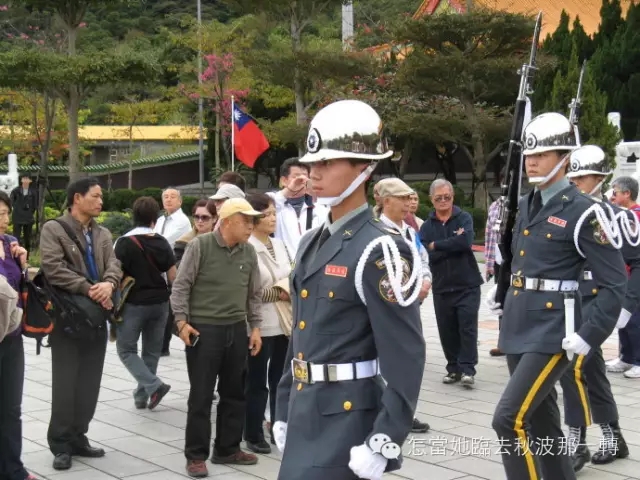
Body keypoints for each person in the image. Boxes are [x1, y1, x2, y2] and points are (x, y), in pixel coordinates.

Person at [273, 99, 425, 480]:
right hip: (307, 408)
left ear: (364, 168)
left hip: (347, 416)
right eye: (311, 164)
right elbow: (303, 331)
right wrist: (283, 404)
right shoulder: (310, 241)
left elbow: (405, 353)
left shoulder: (381, 248)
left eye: (328, 163)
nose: (314, 174)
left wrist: (386, 438)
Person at [485, 112, 627, 480]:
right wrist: (501, 291)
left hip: (552, 330)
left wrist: (590, 334)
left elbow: (614, 284)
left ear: (564, 158)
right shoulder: (525, 203)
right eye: (529, 155)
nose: (532, 161)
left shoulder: (585, 211)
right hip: (517, 323)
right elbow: (518, 258)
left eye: (543, 155)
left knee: (508, 420)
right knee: (544, 425)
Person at [170, 197, 264, 477]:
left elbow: (254, 293)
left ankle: (227, 448)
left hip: (236, 329)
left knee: (234, 392)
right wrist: (181, 322)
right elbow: (181, 286)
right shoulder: (201, 246)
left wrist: (255, 326)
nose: (251, 226)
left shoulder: (248, 252)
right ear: (229, 220)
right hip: (204, 329)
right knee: (200, 395)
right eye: (246, 220)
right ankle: (196, 455)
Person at [559, 146, 639, 470]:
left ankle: (577, 443)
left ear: (601, 177)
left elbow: (636, 263)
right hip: (570, 303)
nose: (577, 182)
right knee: (587, 372)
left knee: (574, 369)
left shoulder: (617, 217)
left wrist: (628, 305)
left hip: (600, 302)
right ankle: (613, 435)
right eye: (573, 175)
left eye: (584, 176)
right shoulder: (566, 213)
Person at [40, 177, 122, 471]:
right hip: (68, 317)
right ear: (77, 198)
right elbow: (52, 268)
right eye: (96, 196)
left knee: (89, 382)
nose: (101, 202)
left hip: (97, 316)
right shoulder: (54, 229)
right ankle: (60, 443)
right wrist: (89, 288)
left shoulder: (102, 233)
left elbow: (114, 263)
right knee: (65, 383)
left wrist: (109, 285)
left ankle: (78, 436)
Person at [114, 196, 177, 410]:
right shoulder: (162, 242)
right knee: (151, 352)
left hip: (134, 304)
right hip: (160, 303)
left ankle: (153, 385)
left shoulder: (123, 243)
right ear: (155, 218)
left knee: (126, 350)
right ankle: (142, 396)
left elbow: (115, 274)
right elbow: (173, 277)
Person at [420, 179, 483, 387]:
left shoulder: (463, 218)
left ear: (452, 197)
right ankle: (453, 368)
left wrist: (436, 245)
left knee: (467, 327)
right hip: (442, 286)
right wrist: (447, 248)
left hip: (467, 284)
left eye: (447, 197)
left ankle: (467, 369)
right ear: (432, 200)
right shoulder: (427, 226)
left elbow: (465, 243)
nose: (443, 201)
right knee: (447, 329)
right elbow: (425, 253)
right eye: (439, 198)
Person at [244, 193, 292, 454]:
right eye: (267, 214)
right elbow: (249, 291)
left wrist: (285, 291)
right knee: (256, 381)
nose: (272, 218)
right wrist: (281, 293)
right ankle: (252, 432)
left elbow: (294, 275)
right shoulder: (247, 247)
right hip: (259, 325)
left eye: (274, 213)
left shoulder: (281, 245)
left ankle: (279, 427)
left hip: (285, 322)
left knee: (281, 380)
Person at [0, 191, 36, 480]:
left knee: (11, 406)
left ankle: (14, 468)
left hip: (11, 335)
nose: (3, 218)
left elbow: (24, 289)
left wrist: (24, 264)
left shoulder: (11, 243)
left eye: (5, 213)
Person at [606, 176, 640, 376]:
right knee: (623, 319)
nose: (612, 196)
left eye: (616, 192)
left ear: (627, 194)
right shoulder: (621, 215)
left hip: (635, 275)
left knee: (635, 318)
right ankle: (626, 357)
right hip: (622, 275)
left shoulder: (635, 216)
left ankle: (638, 360)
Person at [154, 187, 192, 357]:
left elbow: (164, 242)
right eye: (165, 197)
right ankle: (163, 344)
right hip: (160, 267)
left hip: (175, 266)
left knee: (173, 306)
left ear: (180, 201)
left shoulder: (182, 221)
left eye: (172, 197)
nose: (168, 200)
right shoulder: (161, 219)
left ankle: (167, 343)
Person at [267, 157, 328, 259]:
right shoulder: (274, 202)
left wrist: (315, 193)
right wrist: (290, 189)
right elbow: (264, 208)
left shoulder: (319, 209)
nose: (301, 181)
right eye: (296, 177)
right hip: (284, 267)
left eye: (305, 177)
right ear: (283, 180)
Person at [484, 198, 505, 357]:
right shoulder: (495, 206)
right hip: (500, 261)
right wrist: (489, 262)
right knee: (500, 300)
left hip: (516, 260)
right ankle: (503, 342)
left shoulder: (524, 203)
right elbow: (489, 235)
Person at [174, 199, 218, 266]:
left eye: (205, 217)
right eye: (196, 217)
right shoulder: (183, 241)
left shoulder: (221, 240)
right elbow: (177, 267)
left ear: (214, 219)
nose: (200, 221)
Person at [10, 174, 37, 252]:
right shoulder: (15, 191)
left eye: (27, 178)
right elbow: (12, 202)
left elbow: (35, 205)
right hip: (17, 216)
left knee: (27, 238)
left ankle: (27, 256)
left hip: (28, 217)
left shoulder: (33, 192)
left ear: (30, 181)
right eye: (23, 178)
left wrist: (30, 211)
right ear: (21, 180)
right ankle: (15, 254)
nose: (25, 180)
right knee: (16, 237)